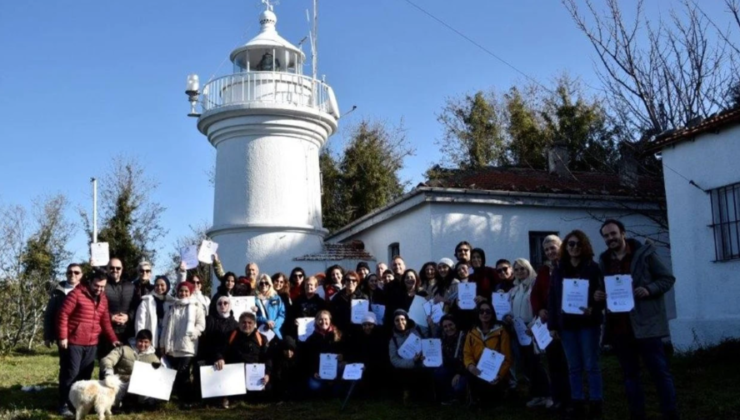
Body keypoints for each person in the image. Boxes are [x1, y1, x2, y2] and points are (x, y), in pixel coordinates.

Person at [596, 219, 679, 420]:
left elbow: (667, 279)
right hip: (620, 328)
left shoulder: (645, 254)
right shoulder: (604, 260)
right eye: (606, 236)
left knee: (660, 373)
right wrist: (599, 295)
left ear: (623, 233)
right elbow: (602, 288)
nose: (610, 238)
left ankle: (671, 414)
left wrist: (649, 289)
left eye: (613, 234)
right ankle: (637, 414)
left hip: (646, 326)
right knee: (630, 377)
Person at [548, 230, 605, 419]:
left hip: (588, 324)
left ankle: (596, 402)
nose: (574, 247)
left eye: (578, 244)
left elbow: (602, 296)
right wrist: (553, 326)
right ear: (566, 246)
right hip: (567, 325)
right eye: (571, 244)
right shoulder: (558, 269)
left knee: (591, 364)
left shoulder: (593, 268)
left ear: (585, 246)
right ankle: (578, 402)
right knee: (573, 366)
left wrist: (594, 308)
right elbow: (553, 299)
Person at [56, 269, 121, 417]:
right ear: (90, 282)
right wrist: (63, 337)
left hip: (92, 343)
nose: (99, 289)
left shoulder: (103, 299)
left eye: (102, 287)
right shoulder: (76, 294)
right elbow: (63, 314)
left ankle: (80, 405)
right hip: (74, 342)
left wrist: (113, 339)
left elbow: (105, 321)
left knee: (85, 376)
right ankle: (63, 404)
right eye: (97, 286)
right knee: (70, 374)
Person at [504, 258, 552, 408]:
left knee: (537, 362)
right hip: (519, 329)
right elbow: (511, 307)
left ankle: (548, 394)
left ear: (529, 269)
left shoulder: (535, 285)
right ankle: (537, 394)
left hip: (533, 328)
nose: (519, 272)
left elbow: (541, 306)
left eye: (522, 269)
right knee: (526, 363)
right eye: (516, 269)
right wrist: (508, 316)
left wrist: (534, 325)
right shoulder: (515, 289)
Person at [532, 234, 571, 414]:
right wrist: (539, 309)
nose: (549, 252)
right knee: (554, 362)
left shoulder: (569, 266)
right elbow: (535, 294)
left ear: (561, 247)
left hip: (567, 321)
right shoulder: (543, 271)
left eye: (552, 248)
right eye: (546, 250)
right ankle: (558, 399)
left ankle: (572, 400)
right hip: (549, 323)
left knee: (569, 363)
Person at [159, 281, 206, 406]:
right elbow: (165, 327)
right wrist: (162, 344)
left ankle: (188, 400)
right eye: (181, 291)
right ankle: (180, 398)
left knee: (183, 373)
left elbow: (201, 324)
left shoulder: (196, 306)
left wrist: (194, 333)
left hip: (187, 346)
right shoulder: (172, 307)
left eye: (186, 291)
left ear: (190, 292)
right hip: (172, 346)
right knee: (175, 373)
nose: (183, 293)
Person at [213, 311, 271, 409]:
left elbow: (267, 358)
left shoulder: (261, 338)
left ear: (254, 324)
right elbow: (219, 350)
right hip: (234, 375)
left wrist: (267, 374)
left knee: (267, 393)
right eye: (243, 322)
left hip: (254, 376)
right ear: (239, 323)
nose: (246, 325)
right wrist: (220, 358)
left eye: (249, 323)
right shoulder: (231, 335)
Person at [463, 301, 512, 406]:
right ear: (478, 314)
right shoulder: (471, 332)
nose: (484, 314)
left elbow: (507, 359)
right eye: (481, 311)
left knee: (490, 400)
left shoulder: (501, 332)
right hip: (477, 371)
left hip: (495, 373)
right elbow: (467, 353)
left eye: (488, 311)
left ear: (492, 313)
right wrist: (471, 366)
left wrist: (499, 375)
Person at [100, 329, 160, 407]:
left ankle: (142, 403)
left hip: (140, 385)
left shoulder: (153, 358)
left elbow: (159, 374)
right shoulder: (124, 349)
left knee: (148, 401)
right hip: (121, 382)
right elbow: (108, 359)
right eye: (140, 341)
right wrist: (108, 370)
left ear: (150, 342)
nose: (142, 344)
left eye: (146, 342)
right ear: (136, 340)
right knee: (111, 403)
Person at [388, 309, 428, 402]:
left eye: (402, 319)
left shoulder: (418, 330)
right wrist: (412, 361)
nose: (400, 322)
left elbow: (430, 340)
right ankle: (407, 393)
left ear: (407, 320)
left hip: (421, 363)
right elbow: (394, 360)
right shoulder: (392, 340)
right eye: (397, 320)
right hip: (405, 368)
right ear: (393, 322)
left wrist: (423, 356)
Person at [102, 258, 136, 368]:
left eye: (118, 268)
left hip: (127, 333)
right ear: (107, 269)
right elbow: (97, 307)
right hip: (107, 333)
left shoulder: (130, 286)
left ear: (122, 269)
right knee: (107, 365)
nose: (115, 270)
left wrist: (128, 317)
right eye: (111, 268)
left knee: (125, 366)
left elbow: (136, 306)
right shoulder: (102, 286)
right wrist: (110, 317)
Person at [345, 313, 388, 398]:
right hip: (361, 368)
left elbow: (382, 358)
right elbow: (354, 354)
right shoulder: (358, 338)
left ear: (374, 324)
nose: (367, 327)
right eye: (364, 325)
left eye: (369, 324)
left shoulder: (381, 339)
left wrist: (368, 366)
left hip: (376, 369)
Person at [304, 310, 344, 396]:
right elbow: (307, 359)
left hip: (335, 371)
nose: (323, 322)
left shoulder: (338, 335)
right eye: (320, 319)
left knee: (339, 388)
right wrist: (314, 372)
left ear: (330, 320)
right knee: (314, 386)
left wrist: (342, 356)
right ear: (316, 321)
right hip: (319, 372)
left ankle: (332, 386)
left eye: (326, 319)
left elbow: (345, 351)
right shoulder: (311, 339)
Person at [44, 263, 83, 348]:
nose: (73, 274)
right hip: (61, 335)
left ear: (81, 275)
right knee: (65, 361)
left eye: (76, 272)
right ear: (66, 274)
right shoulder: (57, 291)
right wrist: (48, 336)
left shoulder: (86, 290)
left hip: (82, 335)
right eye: (70, 272)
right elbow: (49, 314)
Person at [434, 314, 468, 405]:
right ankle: (449, 396)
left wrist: (459, 373)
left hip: (464, 369)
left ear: (455, 324)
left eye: (450, 325)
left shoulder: (464, 336)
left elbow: (468, 358)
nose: (448, 328)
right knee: (438, 373)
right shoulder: (442, 338)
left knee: (458, 387)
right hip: (449, 368)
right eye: (445, 326)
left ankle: (460, 396)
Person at [134, 275, 175, 350]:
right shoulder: (147, 300)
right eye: (157, 285)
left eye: (162, 285)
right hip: (149, 337)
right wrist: (140, 340)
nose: (159, 287)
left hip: (165, 337)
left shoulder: (171, 302)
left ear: (167, 286)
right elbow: (140, 321)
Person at [199, 295, 238, 369]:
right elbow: (206, 340)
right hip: (210, 359)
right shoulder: (209, 320)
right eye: (219, 303)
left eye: (225, 303)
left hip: (230, 361)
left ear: (230, 305)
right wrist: (218, 357)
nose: (222, 305)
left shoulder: (235, 324)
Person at [254, 274, 286, 340]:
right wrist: (265, 321)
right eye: (261, 283)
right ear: (258, 284)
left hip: (275, 331)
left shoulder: (276, 298)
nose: (264, 285)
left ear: (270, 284)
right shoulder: (254, 299)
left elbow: (282, 314)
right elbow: (252, 316)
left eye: (266, 283)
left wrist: (274, 325)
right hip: (260, 330)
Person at [269, 336, 300, 402]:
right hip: (281, 382)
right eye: (286, 350)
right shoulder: (277, 360)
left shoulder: (298, 360)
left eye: (291, 350)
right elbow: (277, 375)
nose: (289, 353)